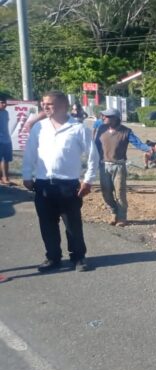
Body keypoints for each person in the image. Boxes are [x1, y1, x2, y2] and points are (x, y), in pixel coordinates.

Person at [21, 90, 99, 272]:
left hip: (68, 185)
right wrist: (27, 175)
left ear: (63, 105)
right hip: (43, 184)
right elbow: (30, 153)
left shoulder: (78, 128)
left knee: (73, 225)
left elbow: (93, 156)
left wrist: (88, 181)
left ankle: (78, 257)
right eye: (43, 103)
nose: (44, 106)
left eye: (49, 104)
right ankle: (53, 257)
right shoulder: (39, 127)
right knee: (47, 225)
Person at [94, 108, 153, 227]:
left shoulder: (126, 131)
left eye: (107, 116)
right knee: (106, 192)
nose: (103, 117)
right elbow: (95, 146)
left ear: (115, 118)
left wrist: (149, 148)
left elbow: (138, 143)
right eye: (103, 115)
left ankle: (122, 217)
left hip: (119, 166)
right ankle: (113, 212)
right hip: (103, 165)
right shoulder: (101, 129)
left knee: (120, 193)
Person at [0, 95, 14, 186]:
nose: (4, 104)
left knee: (6, 159)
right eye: (2, 102)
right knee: (2, 159)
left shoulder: (6, 113)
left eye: (5, 102)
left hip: (7, 139)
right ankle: (4, 178)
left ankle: (5, 178)